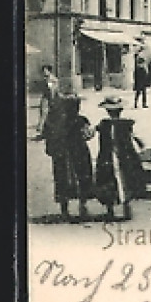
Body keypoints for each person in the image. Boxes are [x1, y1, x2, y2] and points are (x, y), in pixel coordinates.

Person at [41, 92, 94, 220]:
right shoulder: (81, 120)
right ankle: (83, 205)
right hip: (79, 152)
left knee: (62, 179)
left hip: (61, 154)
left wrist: (52, 149)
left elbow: (46, 135)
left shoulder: (54, 121)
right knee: (82, 176)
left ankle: (64, 210)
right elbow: (87, 135)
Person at [94, 96, 147, 221]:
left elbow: (90, 133)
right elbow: (136, 137)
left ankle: (110, 209)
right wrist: (141, 146)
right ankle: (126, 208)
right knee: (125, 179)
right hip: (124, 156)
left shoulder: (103, 124)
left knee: (108, 180)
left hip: (107, 156)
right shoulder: (126, 124)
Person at [35, 63, 59, 139]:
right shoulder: (49, 79)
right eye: (43, 71)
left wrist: (51, 100)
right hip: (48, 97)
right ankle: (44, 131)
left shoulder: (50, 79)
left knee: (44, 113)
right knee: (46, 114)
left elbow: (51, 90)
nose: (44, 72)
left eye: (45, 71)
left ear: (49, 71)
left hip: (48, 98)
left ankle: (42, 130)